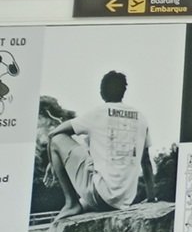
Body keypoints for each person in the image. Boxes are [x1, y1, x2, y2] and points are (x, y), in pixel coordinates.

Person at [44, 69, 154, 219]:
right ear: (123, 92)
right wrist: (152, 197)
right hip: (125, 199)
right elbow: (146, 161)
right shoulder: (141, 117)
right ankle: (79, 204)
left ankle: (71, 203)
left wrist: (52, 162)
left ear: (102, 92)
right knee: (86, 200)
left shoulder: (98, 113)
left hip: (101, 195)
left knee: (57, 141)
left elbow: (54, 135)